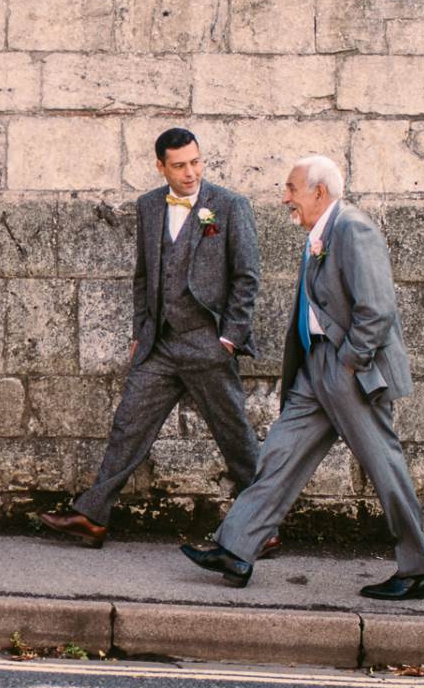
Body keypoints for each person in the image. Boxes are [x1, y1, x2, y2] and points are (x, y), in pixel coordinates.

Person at [181, 154, 424, 600]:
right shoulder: (320, 233)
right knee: (279, 455)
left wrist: (350, 361)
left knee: (385, 468)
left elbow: (376, 308)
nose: (285, 198)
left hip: (347, 370)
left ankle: (417, 571)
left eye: (291, 188)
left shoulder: (353, 229)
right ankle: (236, 549)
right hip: (314, 369)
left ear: (319, 192)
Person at [38, 127, 261, 548]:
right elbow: (144, 275)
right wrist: (142, 331)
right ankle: (92, 517)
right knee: (129, 425)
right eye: (179, 166)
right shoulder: (149, 207)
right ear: (161, 167)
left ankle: (263, 529)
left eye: (195, 162)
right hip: (160, 345)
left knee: (235, 437)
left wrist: (230, 338)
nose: (190, 172)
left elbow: (247, 277)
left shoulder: (230, 207)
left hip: (206, 343)